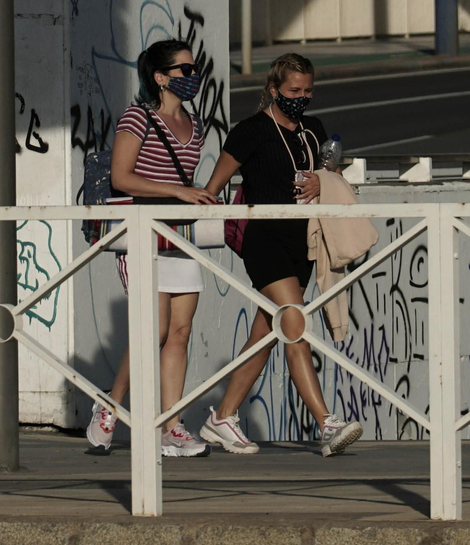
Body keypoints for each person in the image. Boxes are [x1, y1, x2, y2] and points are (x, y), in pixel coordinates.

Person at [197, 53, 362, 458]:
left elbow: (333, 177)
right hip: (265, 241)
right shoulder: (250, 131)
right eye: (293, 90)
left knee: (267, 334)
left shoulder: (313, 130)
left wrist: (323, 181)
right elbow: (213, 187)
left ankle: (222, 417)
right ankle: (327, 423)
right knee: (294, 324)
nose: (301, 97)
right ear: (274, 89)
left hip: (303, 242)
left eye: (307, 91)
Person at [86, 39, 215, 459]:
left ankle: (171, 426)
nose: (193, 76)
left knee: (180, 332)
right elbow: (122, 178)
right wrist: (178, 191)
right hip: (142, 235)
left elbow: (187, 183)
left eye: (195, 69)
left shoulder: (195, 124)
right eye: (184, 70)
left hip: (179, 237)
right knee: (154, 330)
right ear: (160, 77)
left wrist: (197, 195)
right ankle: (111, 405)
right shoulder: (138, 117)